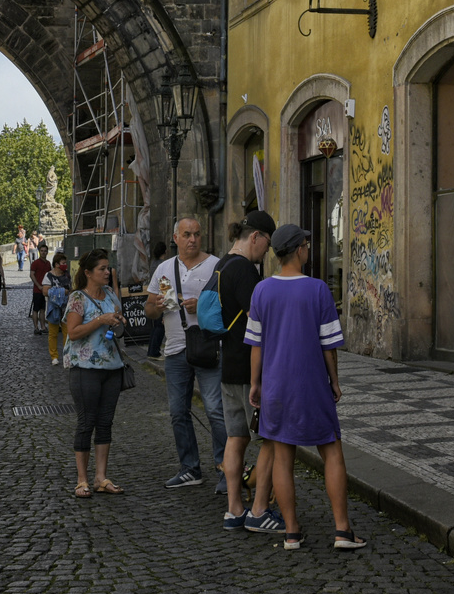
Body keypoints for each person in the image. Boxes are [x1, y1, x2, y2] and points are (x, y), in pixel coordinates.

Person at [246, 225, 365, 552]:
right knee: (332, 452)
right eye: (307, 244)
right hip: (311, 384)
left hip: (275, 385)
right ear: (299, 249)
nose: (309, 249)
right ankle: (342, 530)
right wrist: (335, 381)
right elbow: (329, 346)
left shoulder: (262, 291)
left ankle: (292, 533)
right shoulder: (318, 290)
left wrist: (256, 383)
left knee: (283, 458)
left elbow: (256, 345)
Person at [146, 217, 228, 492]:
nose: (192, 239)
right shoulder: (164, 269)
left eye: (197, 234)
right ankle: (190, 468)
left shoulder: (216, 266)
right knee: (178, 412)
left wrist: (201, 308)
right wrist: (157, 306)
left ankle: (226, 470)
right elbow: (149, 309)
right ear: (176, 238)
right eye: (187, 234)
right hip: (175, 349)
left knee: (216, 411)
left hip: (207, 347)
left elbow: (229, 307)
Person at [218, 209, 283, 534]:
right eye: (267, 244)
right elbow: (259, 320)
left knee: (236, 437)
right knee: (269, 440)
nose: (266, 252)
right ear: (255, 236)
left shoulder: (220, 264)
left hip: (227, 363)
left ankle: (234, 510)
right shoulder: (244, 270)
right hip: (249, 368)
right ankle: (259, 509)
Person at [65, 248, 127, 498]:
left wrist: (117, 320)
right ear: (88, 273)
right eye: (101, 268)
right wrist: (101, 320)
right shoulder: (77, 298)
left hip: (111, 367)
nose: (107, 272)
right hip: (85, 369)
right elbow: (73, 332)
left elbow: (117, 317)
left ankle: (101, 477)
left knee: (105, 423)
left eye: (108, 267)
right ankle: (82, 480)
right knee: (86, 422)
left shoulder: (111, 294)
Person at [44, 252, 71, 364]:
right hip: (53, 308)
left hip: (66, 308)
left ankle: (67, 354)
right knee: (53, 333)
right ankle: (54, 356)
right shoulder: (48, 276)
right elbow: (45, 291)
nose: (65, 265)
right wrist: (61, 292)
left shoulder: (67, 275)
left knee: (67, 333)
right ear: (56, 264)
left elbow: (71, 288)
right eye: (63, 263)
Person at [146, 241, 169, 358]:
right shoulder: (163, 265)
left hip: (155, 295)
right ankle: (154, 352)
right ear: (165, 251)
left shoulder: (153, 263)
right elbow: (165, 285)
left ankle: (152, 351)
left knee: (156, 327)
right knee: (160, 327)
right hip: (161, 297)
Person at [29, 242, 52, 333]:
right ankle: (36, 327)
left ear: (47, 252)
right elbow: (32, 275)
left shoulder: (48, 263)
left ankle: (43, 327)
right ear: (39, 252)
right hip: (37, 290)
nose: (43, 252)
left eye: (45, 251)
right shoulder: (35, 263)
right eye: (42, 251)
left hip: (45, 289)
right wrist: (38, 285)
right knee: (36, 309)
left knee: (43, 309)